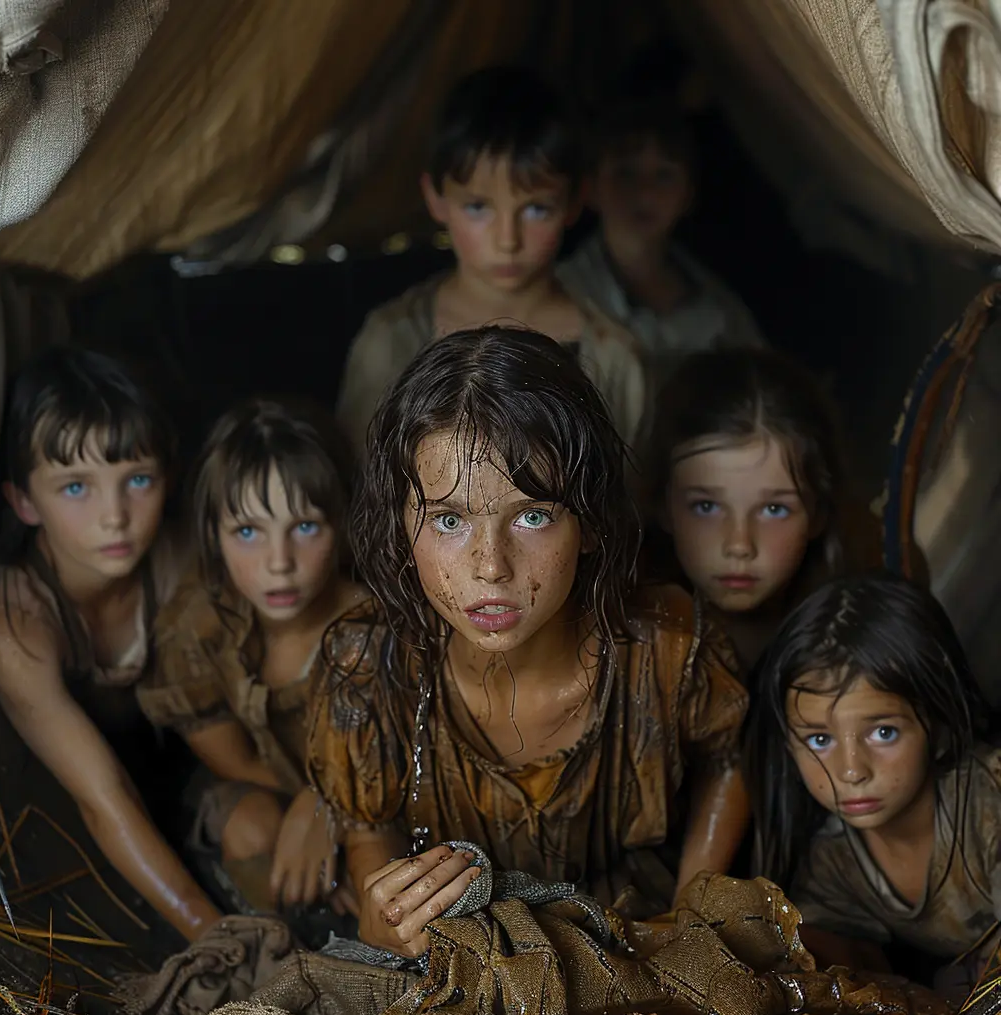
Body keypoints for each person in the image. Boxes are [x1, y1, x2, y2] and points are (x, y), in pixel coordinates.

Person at [312, 326, 749, 959]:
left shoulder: (666, 651)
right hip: (464, 949)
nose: (492, 566)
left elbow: (729, 756)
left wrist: (691, 914)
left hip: (632, 931)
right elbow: (365, 820)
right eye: (450, 520)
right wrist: (384, 912)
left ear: (592, 523)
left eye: (532, 515)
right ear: (401, 525)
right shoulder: (367, 667)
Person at [0, 347, 222, 941]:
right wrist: (218, 937)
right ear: (23, 502)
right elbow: (103, 799)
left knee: (250, 829)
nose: (115, 516)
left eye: (138, 479)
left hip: (197, 764)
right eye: (76, 488)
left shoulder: (182, 555)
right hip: (75, 817)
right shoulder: (15, 625)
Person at [335, 65, 649, 462]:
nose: (507, 240)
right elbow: (362, 498)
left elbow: (627, 509)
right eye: (479, 207)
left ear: (574, 201)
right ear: (435, 198)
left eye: (536, 208)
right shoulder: (391, 342)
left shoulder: (613, 359)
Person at [138, 399, 368, 918]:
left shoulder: (375, 629)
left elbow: (400, 766)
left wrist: (332, 809)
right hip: (258, 783)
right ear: (214, 537)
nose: (278, 563)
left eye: (305, 527)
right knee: (251, 831)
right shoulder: (199, 627)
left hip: (365, 796)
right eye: (247, 532)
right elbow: (236, 762)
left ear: (342, 522)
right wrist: (311, 810)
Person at [744, 573, 998, 1002]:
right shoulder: (830, 859)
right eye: (820, 740)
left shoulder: (987, 800)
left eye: (883, 733)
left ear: (936, 725)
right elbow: (845, 963)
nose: (851, 771)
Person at [652, 348, 856, 673]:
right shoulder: (622, 655)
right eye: (706, 506)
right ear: (663, 505)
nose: (739, 545)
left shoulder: (856, 658)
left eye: (774, 509)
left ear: (819, 513)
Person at [558, 100, 766, 391]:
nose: (646, 192)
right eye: (626, 173)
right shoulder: (564, 292)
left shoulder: (719, 306)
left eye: (664, 175)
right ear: (591, 187)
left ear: (687, 196)